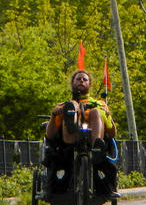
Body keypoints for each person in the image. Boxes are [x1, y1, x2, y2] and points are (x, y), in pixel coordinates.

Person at [44, 69, 120, 198]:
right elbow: (50, 135)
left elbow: (112, 133)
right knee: (72, 106)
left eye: (85, 79)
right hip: (68, 142)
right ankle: (72, 117)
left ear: (89, 84)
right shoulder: (62, 106)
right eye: (78, 79)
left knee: (95, 112)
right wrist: (54, 115)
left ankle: (96, 146)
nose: (81, 81)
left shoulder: (100, 104)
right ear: (72, 83)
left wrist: (108, 115)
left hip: (93, 139)